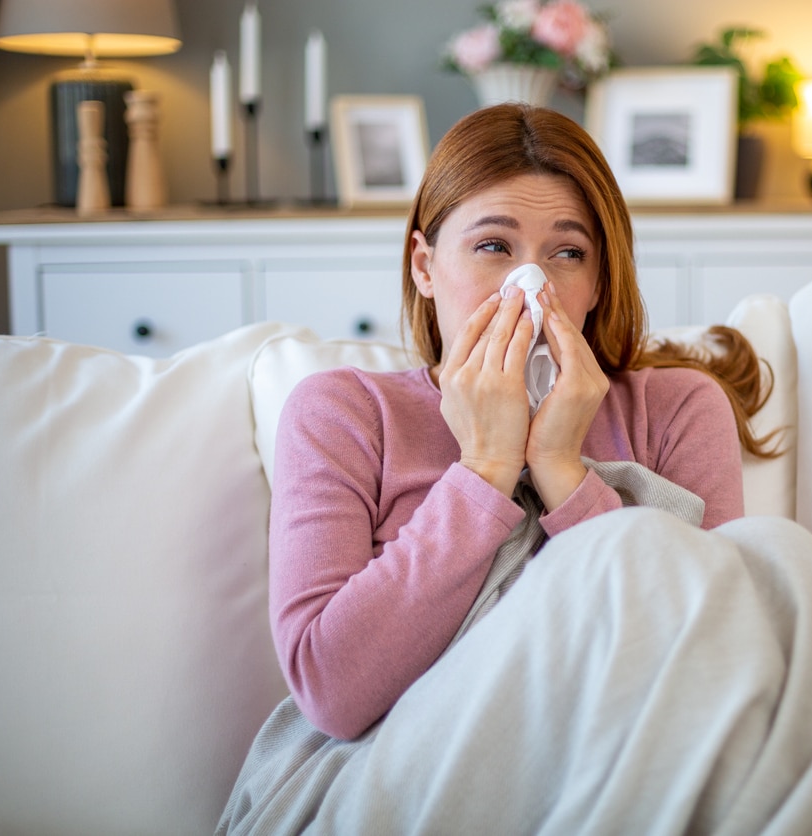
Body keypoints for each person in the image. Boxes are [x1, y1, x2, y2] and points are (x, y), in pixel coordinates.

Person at [268, 103, 779, 741]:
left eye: (567, 253)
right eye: (493, 246)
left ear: (597, 282)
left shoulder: (678, 408)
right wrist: (485, 469)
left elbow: (712, 662)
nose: (531, 288)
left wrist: (563, 469)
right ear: (424, 266)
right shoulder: (344, 413)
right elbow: (331, 692)